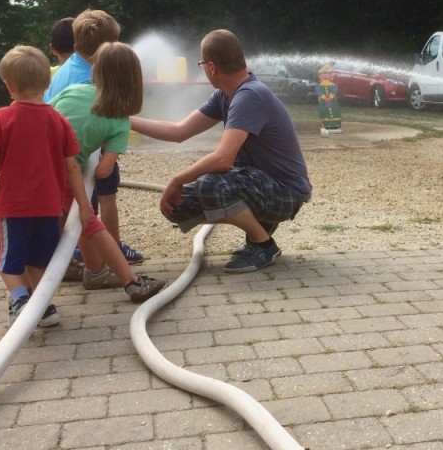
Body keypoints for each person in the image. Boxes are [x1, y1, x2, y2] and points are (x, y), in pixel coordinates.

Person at [130, 29, 312, 273]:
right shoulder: (225, 95)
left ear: (212, 67)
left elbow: (223, 159)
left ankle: (263, 245)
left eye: (202, 64)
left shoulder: (249, 96)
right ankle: (258, 232)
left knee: (211, 185)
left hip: (286, 193)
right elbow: (179, 131)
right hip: (263, 185)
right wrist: (125, 121)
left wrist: (177, 179)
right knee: (180, 205)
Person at [0, 45, 95, 327]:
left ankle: (20, 299)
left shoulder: (0, 118)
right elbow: (73, 167)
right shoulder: (59, 121)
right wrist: (84, 205)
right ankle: (44, 307)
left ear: (9, 86)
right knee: (40, 260)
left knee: (5, 260)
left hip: (13, 208)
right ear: (48, 82)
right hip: (49, 208)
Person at [49, 41, 166, 302]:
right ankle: (131, 282)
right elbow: (103, 172)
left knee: (65, 218)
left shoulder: (71, 91)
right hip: (64, 173)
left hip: (37, 164)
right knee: (89, 221)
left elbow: (47, 114)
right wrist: (97, 151)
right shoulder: (119, 121)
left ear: (95, 70)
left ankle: (86, 270)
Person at [45, 8, 144, 267]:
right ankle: (110, 252)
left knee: (71, 208)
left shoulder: (67, 69)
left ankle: (72, 256)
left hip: (61, 155)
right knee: (101, 198)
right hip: (85, 155)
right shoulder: (89, 78)